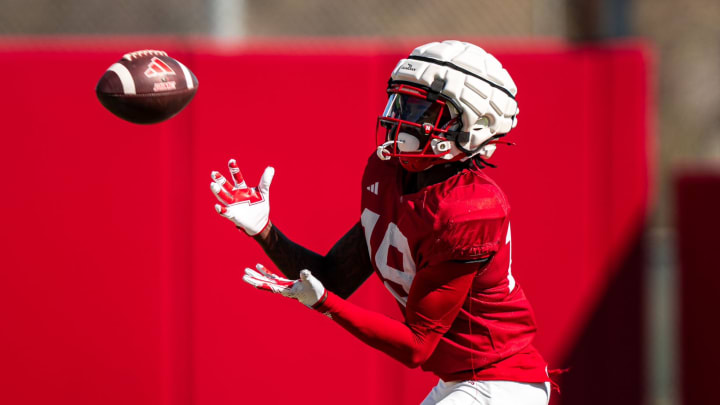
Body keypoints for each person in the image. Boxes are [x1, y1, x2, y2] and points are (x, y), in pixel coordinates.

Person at [210, 40, 552, 405]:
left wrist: (325, 304)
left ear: (473, 126)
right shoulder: (387, 171)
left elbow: (417, 346)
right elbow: (333, 278)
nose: (402, 118)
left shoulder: (471, 208)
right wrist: (265, 232)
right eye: (401, 102)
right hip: (457, 381)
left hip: (502, 384)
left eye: (422, 109)